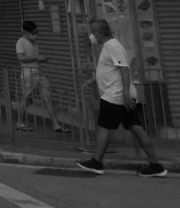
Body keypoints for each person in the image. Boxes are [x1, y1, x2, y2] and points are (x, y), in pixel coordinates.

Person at [77, 18, 166, 177]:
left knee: (104, 128)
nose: (91, 36)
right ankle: (155, 165)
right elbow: (111, 70)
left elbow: (124, 70)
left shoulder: (112, 46)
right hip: (119, 94)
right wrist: (93, 79)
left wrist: (124, 94)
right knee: (136, 128)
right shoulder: (109, 46)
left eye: (92, 32)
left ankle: (97, 162)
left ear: (98, 33)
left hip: (115, 96)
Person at [15, 20, 68, 133]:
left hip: (39, 74)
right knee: (27, 99)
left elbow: (33, 57)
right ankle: (20, 122)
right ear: (26, 31)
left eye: (36, 31)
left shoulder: (33, 42)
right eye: (33, 32)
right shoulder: (21, 42)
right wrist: (37, 58)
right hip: (28, 75)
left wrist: (42, 59)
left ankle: (56, 125)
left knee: (48, 98)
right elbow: (21, 58)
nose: (35, 34)